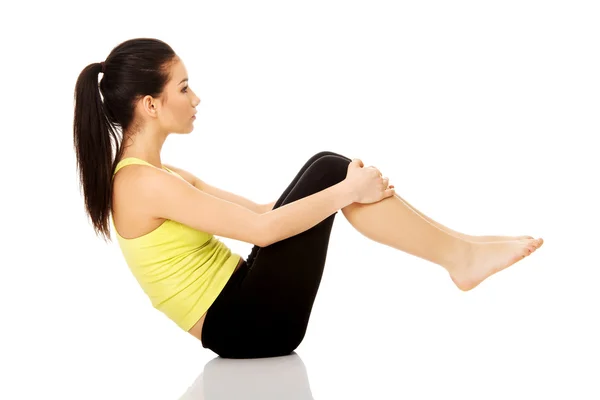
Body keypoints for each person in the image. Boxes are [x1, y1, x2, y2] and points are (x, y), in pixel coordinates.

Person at [73, 38, 543, 359]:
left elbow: (262, 212)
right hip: (246, 325)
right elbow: (261, 230)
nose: (196, 98)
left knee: (328, 166)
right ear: (149, 103)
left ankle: (465, 248)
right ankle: (461, 258)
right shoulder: (141, 184)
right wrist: (345, 190)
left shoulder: (159, 174)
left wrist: (346, 191)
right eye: (183, 87)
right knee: (330, 171)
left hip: (246, 308)